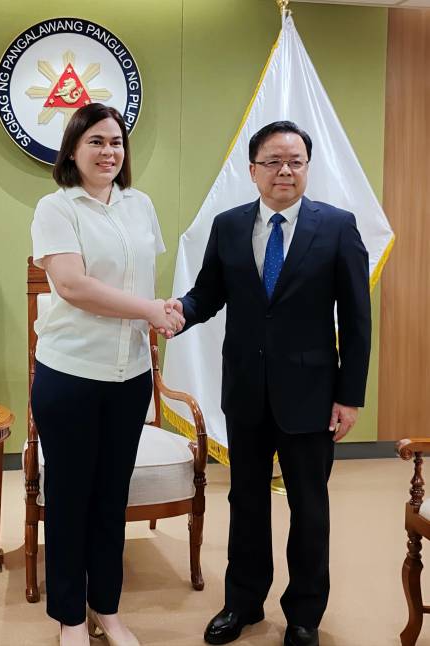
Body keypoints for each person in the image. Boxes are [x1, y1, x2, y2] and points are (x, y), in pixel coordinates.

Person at [164, 121, 371, 646]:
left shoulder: (337, 227)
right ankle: (243, 603)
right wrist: (176, 312)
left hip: (312, 395)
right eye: (274, 161)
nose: (285, 170)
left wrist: (349, 397)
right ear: (253, 169)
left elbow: (357, 319)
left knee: (310, 508)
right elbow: (208, 293)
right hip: (246, 391)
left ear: (307, 168)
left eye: (295, 161)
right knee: (247, 501)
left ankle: (304, 614)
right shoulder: (229, 226)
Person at [30, 103, 183, 646]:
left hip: (130, 375)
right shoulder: (55, 207)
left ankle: (107, 609)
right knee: (69, 499)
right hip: (70, 374)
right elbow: (72, 286)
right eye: (95, 141)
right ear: (73, 150)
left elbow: (143, 281)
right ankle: (70, 617)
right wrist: (149, 311)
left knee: (112, 497)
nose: (108, 151)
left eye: (116, 141)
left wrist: (161, 313)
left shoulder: (140, 205)